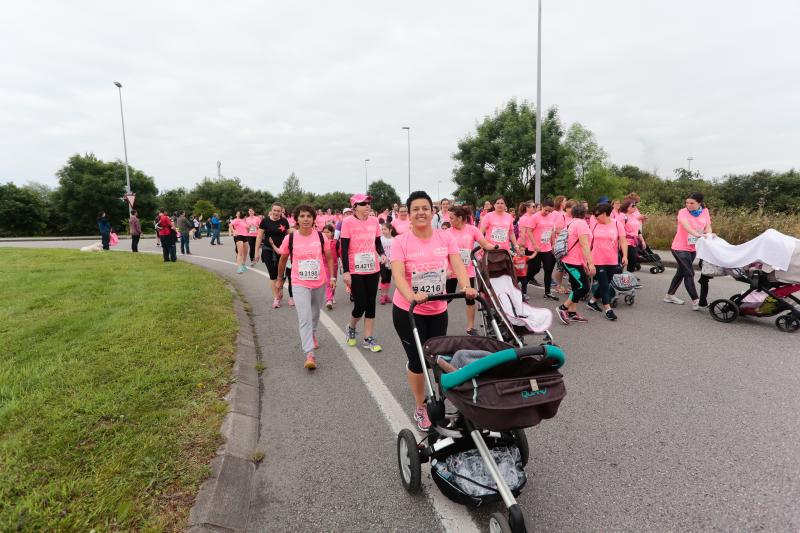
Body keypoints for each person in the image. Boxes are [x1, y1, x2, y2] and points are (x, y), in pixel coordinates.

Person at [391, 191, 477, 431]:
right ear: (409, 214)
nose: (421, 212)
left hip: (438, 308)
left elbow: (457, 263)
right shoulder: (401, 242)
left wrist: (466, 286)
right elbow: (397, 274)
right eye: (415, 208)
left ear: (433, 212)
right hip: (408, 310)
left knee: (437, 357)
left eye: (425, 208)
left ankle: (440, 396)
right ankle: (421, 405)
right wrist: (411, 296)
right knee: (418, 361)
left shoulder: (445, 237)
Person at [276, 205, 335, 370]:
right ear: (297, 219)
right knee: (304, 316)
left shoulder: (322, 237)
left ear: (313, 219)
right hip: (299, 282)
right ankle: (309, 354)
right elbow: (282, 260)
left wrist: (332, 277)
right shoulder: (291, 238)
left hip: (318, 282)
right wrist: (280, 279)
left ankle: (313, 334)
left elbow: (329, 258)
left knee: (315, 313)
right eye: (302, 216)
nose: (306, 219)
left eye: (309, 216)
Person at [340, 193, 386, 352]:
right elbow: (344, 248)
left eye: (368, 203)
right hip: (355, 269)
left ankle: (368, 338)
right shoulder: (347, 222)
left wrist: (383, 254)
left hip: (373, 267)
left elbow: (378, 243)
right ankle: (351, 327)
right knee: (360, 304)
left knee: (371, 304)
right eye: (363, 203)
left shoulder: (374, 221)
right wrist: (346, 271)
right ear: (354, 207)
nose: (367, 205)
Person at [447, 205, 496, 335]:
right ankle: (436, 320)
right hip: (451, 270)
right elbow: (442, 253)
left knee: (470, 298)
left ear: (460, 218)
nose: (449, 220)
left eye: (451, 218)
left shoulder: (472, 230)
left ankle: (470, 327)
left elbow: (485, 244)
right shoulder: (448, 233)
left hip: (467, 270)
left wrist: (497, 248)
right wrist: (446, 269)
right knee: (446, 298)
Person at [664, 192, 712, 310]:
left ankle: (669, 296)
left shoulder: (705, 211)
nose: (688, 205)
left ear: (699, 203)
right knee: (689, 273)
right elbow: (687, 227)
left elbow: (708, 226)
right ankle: (696, 301)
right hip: (679, 247)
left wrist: (709, 234)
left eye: (692, 203)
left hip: (693, 247)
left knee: (681, 272)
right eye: (687, 202)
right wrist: (699, 235)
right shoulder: (682, 212)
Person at [585, 203, 628, 321]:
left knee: (606, 283)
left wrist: (625, 256)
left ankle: (592, 301)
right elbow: (589, 244)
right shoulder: (594, 225)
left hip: (612, 259)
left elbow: (623, 241)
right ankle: (608, 309)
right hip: (597, 259)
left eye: (597, 215)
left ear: (604, 214)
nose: (595, 217)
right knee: (604, 284)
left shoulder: (617, 224)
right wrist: (588, 261)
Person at [555, 204, 594, 324]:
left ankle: (572, 313)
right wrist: (590, 263)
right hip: (572, 261)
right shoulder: (581, 224)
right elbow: (584, 244)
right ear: (585, 213)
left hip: (571, 260)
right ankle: (563, 308)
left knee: (577, 286)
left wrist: (583, 263)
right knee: (584, 287)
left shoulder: (571, 222)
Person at [520, 198, 560, 301]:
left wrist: (553, 244)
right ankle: (522, 287)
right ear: (542, 206)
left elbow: (551, 231)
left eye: (550, 211)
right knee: (534, 269)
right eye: (546, 210)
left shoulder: (551, 216)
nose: (547, 212)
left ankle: (547, 292)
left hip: (547, 248)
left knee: (548, 270)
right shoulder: (535, 217)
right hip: (535, 249)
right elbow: (529, 231)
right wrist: (535, 244)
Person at [255, 203, 290, 307]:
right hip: (268, 250)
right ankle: (276, 298)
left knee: (282, 275)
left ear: (281, 211)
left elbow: (288, 236)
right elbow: (259, 237)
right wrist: (256, 252)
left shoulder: (284, 221)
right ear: (271, 210)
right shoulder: (265, 221)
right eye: (274, 210)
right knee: (273, 274)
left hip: (282, 251)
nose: (276, 212)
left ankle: (280, 288)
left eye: (278, 211)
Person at [620, 200, 645, 273]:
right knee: (628, 260)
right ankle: (623, 277)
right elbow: (620, 230)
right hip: (626, 241)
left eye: (635, 205)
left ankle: (628, 277)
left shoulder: (635, 216)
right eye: (633, 206)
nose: (635, 207)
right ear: (627, 207)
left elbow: (637, 230)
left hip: (634, 242)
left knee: (633, 261)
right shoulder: (623, 216)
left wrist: (642, 240)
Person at [379, 223, 396, 305]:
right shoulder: (380, 239)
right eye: (382, 229)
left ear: (390, 230)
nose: (383, 231)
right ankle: (382, 296)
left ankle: (386, 295)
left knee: (388, 279)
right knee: (384, 278)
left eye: (385, 229)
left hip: (391, 262)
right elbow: (378, 250)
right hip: (382, 261)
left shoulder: (395, 239)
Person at [322, 224, 339, 310]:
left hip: (334, 265)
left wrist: (343, 263)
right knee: (328, 282)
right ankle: (329, 300)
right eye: (324, 232)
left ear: (332, 233)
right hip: (324, 264)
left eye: (328, 232)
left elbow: (340, 253)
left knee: (333, 281)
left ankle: (332, 295)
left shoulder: (335, 242)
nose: (325, 234)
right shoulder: (321, 242)